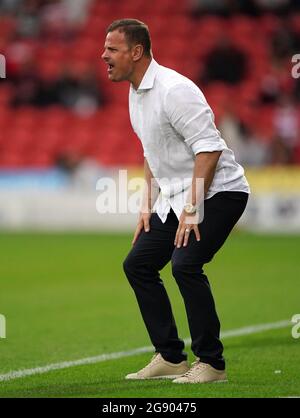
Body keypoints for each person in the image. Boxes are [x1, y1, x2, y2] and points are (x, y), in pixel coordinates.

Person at [101, 19, 250, 384]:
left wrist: (192, 208)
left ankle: (212, 364)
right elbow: (154, 153)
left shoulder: (174, 90)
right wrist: (147, 204)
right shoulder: (136, 93)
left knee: (185, 265)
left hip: (220, 192)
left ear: (136, 52)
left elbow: (210, 150)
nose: (104, 56)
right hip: (178, 198)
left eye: (112, 49)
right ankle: (170, 356)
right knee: (138, 264)